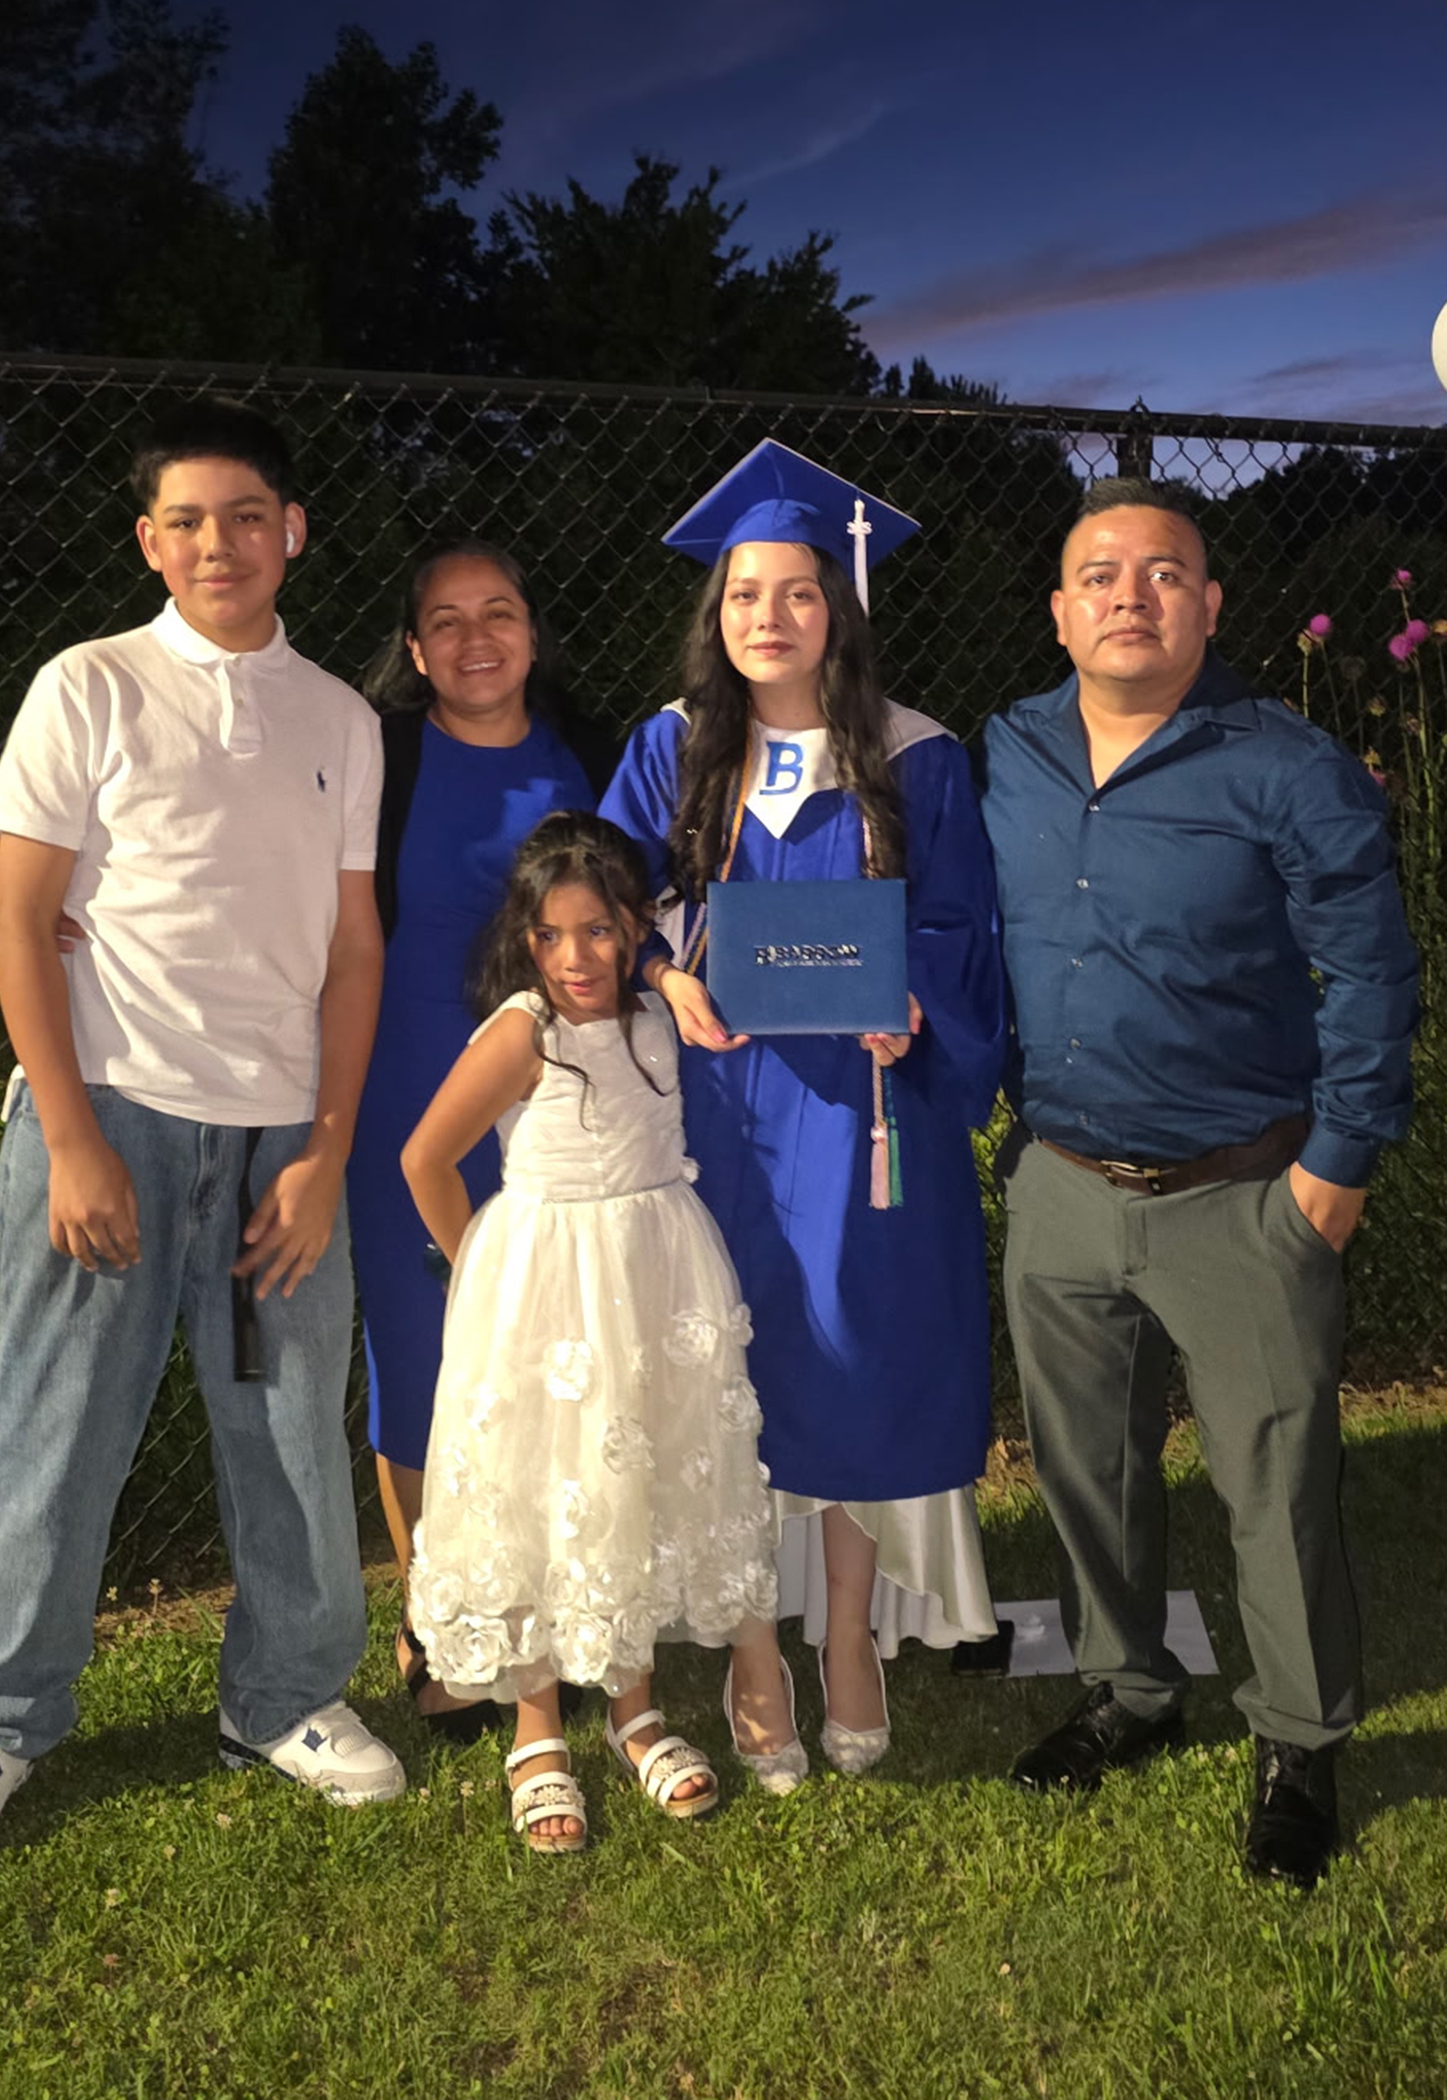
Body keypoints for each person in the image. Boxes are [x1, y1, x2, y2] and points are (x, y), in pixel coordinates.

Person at [0, 398, 404, 1862]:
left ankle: (286, 1698)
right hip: (109, 1120)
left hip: (274, 1145)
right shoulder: (89, 684)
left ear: (291, 531)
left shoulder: (344, 718)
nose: (217, 544)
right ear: (148, 541)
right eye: (185, 521)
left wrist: (322, 1150)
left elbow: (352, 949)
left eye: (245, 517)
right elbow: (18, 917)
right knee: (54, 1433)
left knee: (290, 1436)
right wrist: (69, 1137)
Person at [979, 475, 1419, 1889]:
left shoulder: (1286, 766)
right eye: (1099, 574)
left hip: (1245, 1189)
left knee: (1273, 1482)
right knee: (1085, 1469)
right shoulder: (1007, 751)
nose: (1130, 594)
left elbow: (1371, 974)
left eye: (1163, 572)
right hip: (1059, 1183)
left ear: (1209, 604)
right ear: (1059, 613)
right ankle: (1129, 1689)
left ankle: (1297, 1738)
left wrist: (1335, 1167)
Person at [601, 441, 1006, 1778]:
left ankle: (845, 1632)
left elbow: (956, 924)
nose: (767, 616)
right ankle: (753, 1642)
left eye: (796, 591)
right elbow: (607, 904)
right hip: (716, 1101)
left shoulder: (915, 753)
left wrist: (915, 1004)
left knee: (849, 1349)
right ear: (713, 613)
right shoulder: (668, 748)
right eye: (742, 594)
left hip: (863, 1108)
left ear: (838, 607)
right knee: (728, 1358)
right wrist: (664, 972)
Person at [402, 812, 794, 1852]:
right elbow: (424, 1159)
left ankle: (636, 1710)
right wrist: (479, 1270)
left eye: (597, 932)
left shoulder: (658, 1016)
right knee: (547, 1488)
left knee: (634, 1478)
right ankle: (536, 1730)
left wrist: (665, 972)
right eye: (549, 935)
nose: (574, 957)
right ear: (523, 939)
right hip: (547, 1296)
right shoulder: (521, 1033)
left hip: (655, 1278)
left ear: (632, 930)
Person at [351, 542, 614, 1737]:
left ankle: (565, 1600)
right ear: (415, 650)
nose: (475, 639)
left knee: (558, 1357)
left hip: (556, 1102)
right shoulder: (379, 758)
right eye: (446, 621)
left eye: (498, 612)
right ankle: (439, 1612)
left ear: (533, 632)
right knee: (426, 1355)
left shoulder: (593, 753)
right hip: (411, 1092)